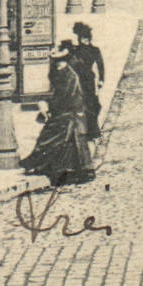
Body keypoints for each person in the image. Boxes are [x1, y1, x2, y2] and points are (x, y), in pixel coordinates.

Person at [21, 49, 96, 187]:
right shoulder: (61, 75)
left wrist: (49, 106)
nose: (57, 64)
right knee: (57, 139)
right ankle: (52, 168)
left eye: (60, 61)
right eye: (56, 62)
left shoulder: (70, 77)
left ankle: (61, 170)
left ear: (65, 61)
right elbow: (57, 95)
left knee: (56, 139)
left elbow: (64, 97)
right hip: (64, 113)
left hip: (69, 114)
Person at [70, 22, 106, 138]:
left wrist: (101, 80)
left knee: (91, 105)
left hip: (89, 80)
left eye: (86, 38)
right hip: (78, 80)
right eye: (82, 38)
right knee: (80, 104)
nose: (84, 40)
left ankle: (93, 131)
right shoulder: (75, 50)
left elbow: (100, 65)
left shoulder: (95, 50)